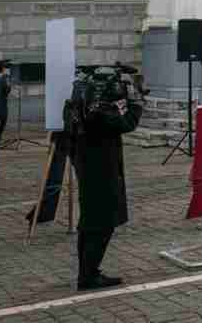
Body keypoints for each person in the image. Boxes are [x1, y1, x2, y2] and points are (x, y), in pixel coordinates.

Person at [69, 71, 144, 290]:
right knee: (102, 224)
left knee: (89, 223)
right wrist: (135, 102)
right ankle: (88, 276)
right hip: (100, 171)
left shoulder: (80, 107)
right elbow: (127, 123)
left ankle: (87, 271)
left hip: (87, 167)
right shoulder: (99, 113)